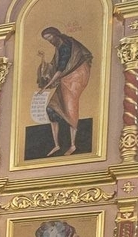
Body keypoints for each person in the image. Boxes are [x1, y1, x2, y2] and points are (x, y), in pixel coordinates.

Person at [37, 27, 94, 157]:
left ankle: (73, 145)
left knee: (70, 109)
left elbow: (60, 69)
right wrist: (43, 58)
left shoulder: (65, 46)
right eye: (47, 39)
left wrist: (46, 87)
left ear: (55, 34)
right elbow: (55, 67)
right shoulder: (59, 47)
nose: (49, 41)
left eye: (50, 37)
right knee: (51, 109)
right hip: (65, 79)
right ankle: (57, 145)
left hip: (75, 77)